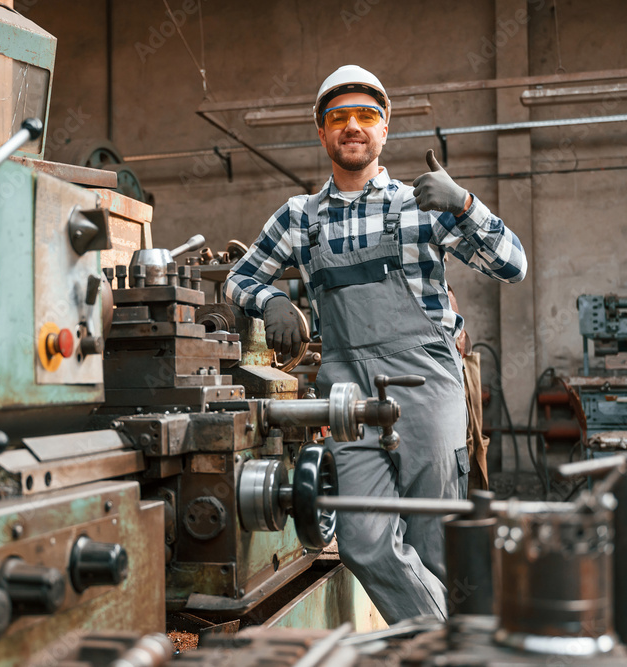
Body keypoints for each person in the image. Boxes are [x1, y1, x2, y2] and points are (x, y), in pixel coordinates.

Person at [224, 65, 526, 623]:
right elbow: (237, 278)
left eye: (367, 116)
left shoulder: (421, 205)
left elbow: (513, 265)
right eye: (339, 118)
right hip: (346, 395)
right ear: (322, 133)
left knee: (438, 541)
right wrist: (268, 301)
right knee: (363, 541)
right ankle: (452, 647)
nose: (353, 127)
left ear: (385, 131)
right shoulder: (299, 218)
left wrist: (463, 204)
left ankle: (457, 650)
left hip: (426, 383)